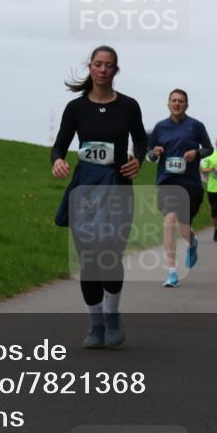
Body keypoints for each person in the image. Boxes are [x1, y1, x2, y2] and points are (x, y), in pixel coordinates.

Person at [52, 46, 146, 349]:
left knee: (110, 253)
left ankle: (112, 316)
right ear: (90, 68)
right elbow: (59, 146)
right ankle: (95, 324)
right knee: (89, 258)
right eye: (97, 64)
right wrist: (57, 161)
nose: (103, 69)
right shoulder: (76, 108)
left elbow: (141, 141)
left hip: (117, 184)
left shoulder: (129, 106)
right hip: (86, 187)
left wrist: (138, 161)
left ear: (115, 71)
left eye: (109, 65)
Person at [146, 89, 213, 288]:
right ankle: (171, 272)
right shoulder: (160, 127)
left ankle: (192, 243)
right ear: (168, 104)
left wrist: (196, 153)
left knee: (184, 229)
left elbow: (208, 148)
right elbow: (149, 154)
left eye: (181, 101)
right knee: (168, 222)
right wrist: (155, 152)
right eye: (174, 101)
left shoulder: (196, 126)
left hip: (190, 184)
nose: (177, 104)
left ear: (186, 105)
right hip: (167, 182)